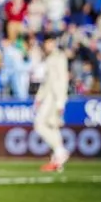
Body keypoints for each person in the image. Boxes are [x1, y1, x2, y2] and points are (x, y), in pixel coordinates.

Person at [36, 36, 70, 172]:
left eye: (49, 42)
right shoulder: (49, 57)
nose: (47, 45)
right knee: (53, 126)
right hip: (49, 96)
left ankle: (60, 152)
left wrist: (61, 101)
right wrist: (39, 97)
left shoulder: (59, 57)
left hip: (54, 97)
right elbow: (46, 81)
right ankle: (57, 159)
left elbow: (62, 79)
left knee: (39, 125)